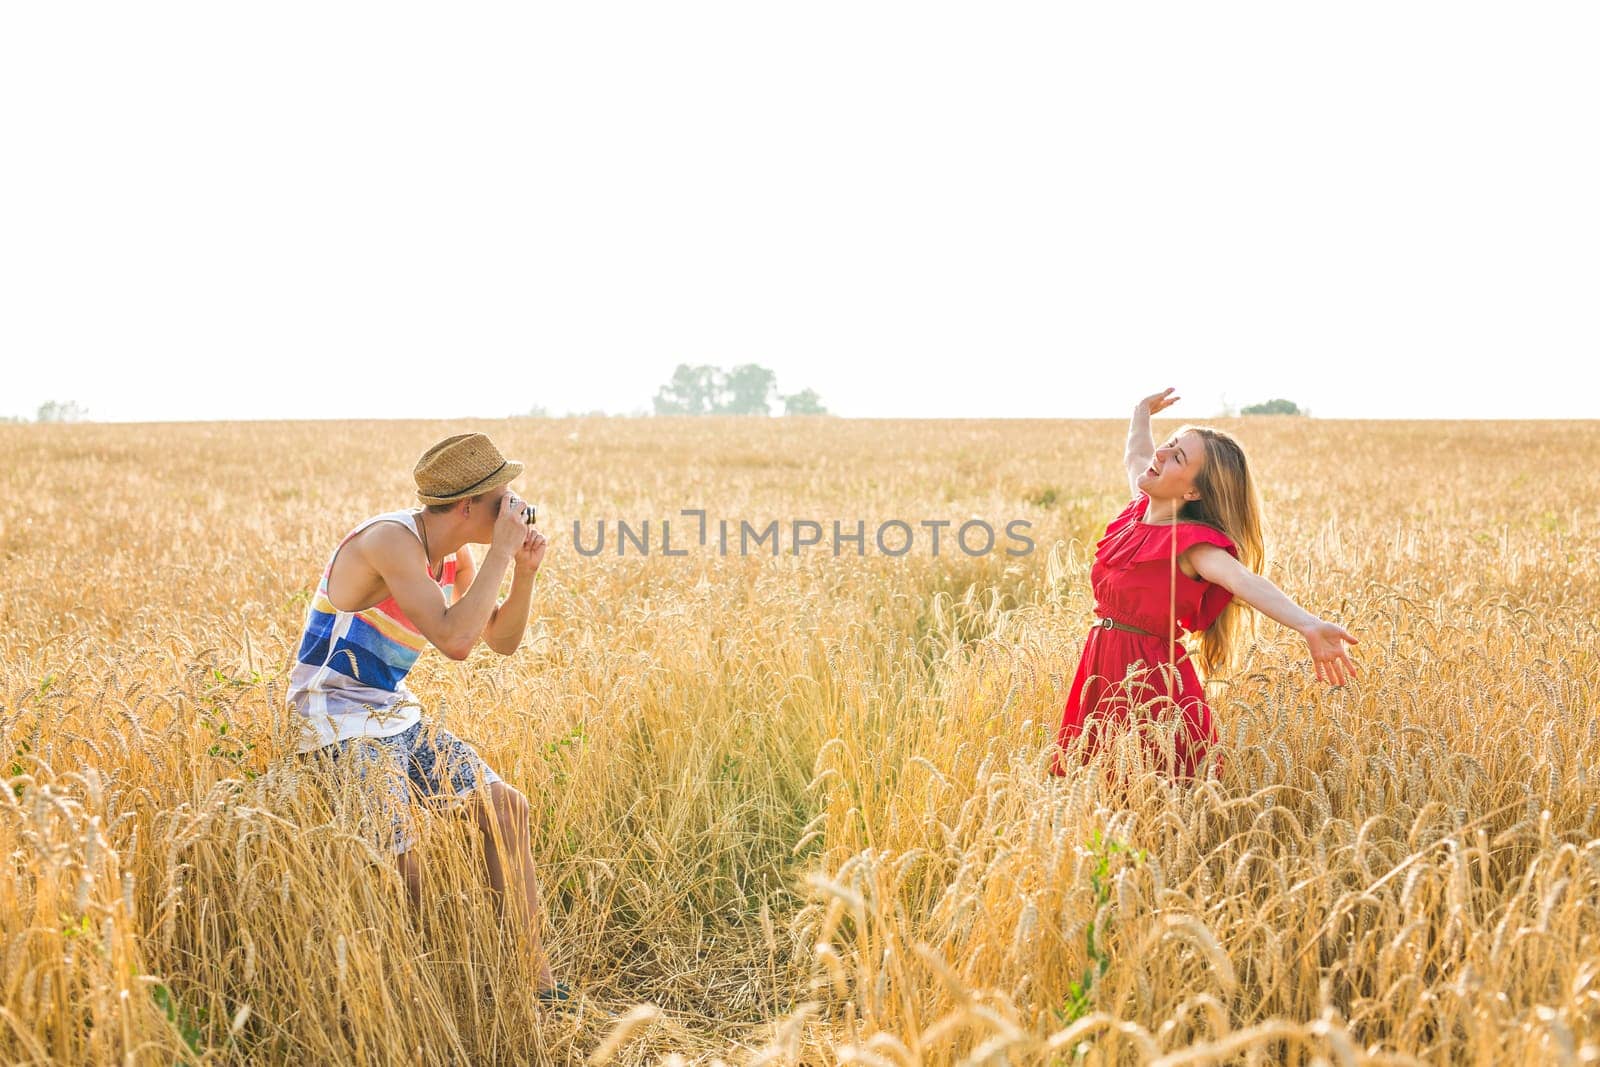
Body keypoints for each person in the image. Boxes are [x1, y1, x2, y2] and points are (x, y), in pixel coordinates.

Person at [287, 431, 569, 1005]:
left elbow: (499, 640)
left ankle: (536, 984)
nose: (515, 508)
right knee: (402, 863)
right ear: (469, 506)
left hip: (389, 712)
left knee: (505, 807)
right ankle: (426, 1000)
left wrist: (524, 571)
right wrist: (498, 552)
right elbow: (454, 641)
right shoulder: (390, 540)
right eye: (504, 500)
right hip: (332, 714)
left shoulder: (455, 555)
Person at [1051, 388, 1359, 781]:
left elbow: (1243, 580)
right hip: (1100, 668)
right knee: (1091, 790)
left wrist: (1309, 624)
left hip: (1149, 684)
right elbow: (1136, 456)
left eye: (1177, 456)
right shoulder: (1137, 514)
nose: (1161, 454)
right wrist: (1141, 412)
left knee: (1145, 796)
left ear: (1193, 491)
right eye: (1169, 444)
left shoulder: (1192, 545)